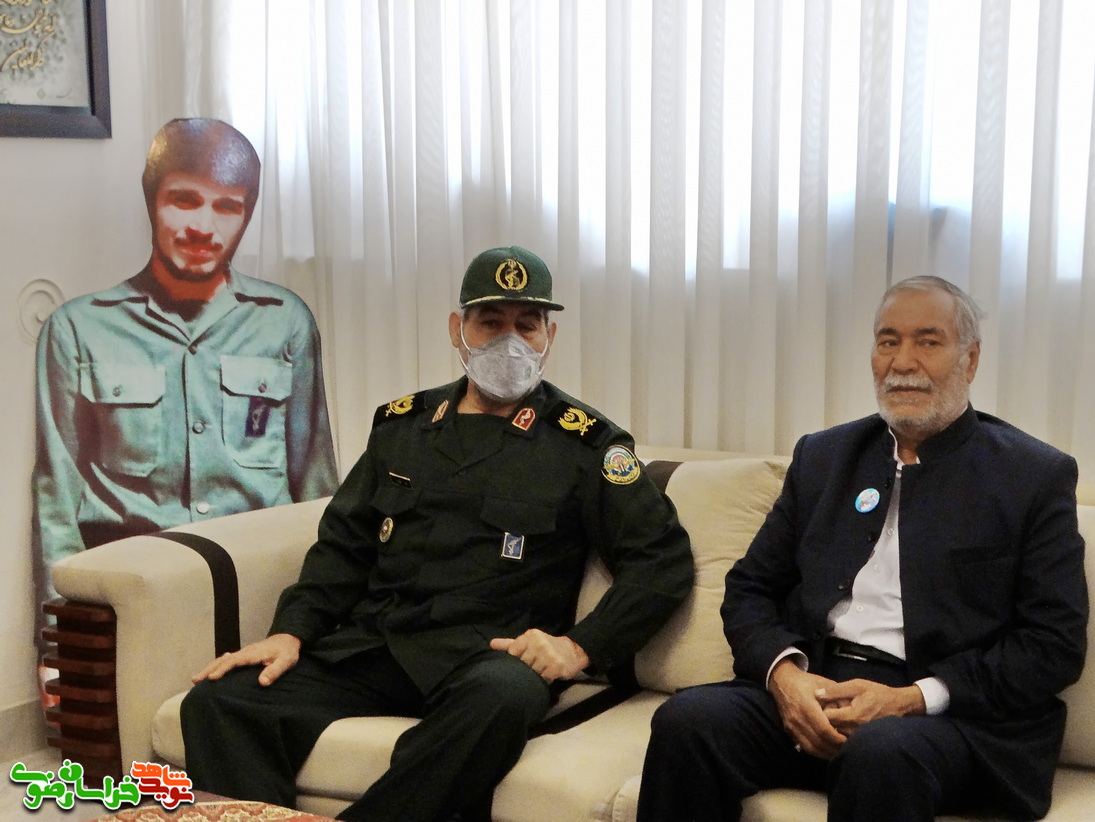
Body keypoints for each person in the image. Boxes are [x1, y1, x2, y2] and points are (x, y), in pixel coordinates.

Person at [180, 245, 695, 822]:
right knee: (221, 700)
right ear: (458, 329)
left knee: (504, 698)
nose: (510, 342)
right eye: (491, 322)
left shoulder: (585, 444)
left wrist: (579, 647)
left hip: (486, 657)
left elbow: (661, 560)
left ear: (549, 337)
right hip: (379, 643)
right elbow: (344, 546)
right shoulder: (402, 427)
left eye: (527, 325)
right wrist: (292, 631)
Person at [637, 276, 1088, 822]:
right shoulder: (825, 457)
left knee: (880, 754)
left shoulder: (1031, 476)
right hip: (817, 686)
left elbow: (1053, 644)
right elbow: (750, 588)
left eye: (928, 341)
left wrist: (911, 699)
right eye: (887, 341)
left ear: (970, 359)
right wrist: (787, 678)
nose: (903, 361)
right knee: (688, 722)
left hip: (948, 717)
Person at [33, 118, 338, 576]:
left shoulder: (285, 322)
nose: (203, 227)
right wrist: (67, 615)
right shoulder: (78, 330)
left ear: (246, 216)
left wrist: (323, 602)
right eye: (184, 200)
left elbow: (316, 484)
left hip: (261, 578)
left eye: (227, 207)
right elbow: (55, 499)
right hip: (133, 582)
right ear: (151, 201)